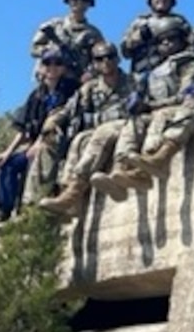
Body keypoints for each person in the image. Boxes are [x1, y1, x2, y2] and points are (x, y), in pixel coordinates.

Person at [0, 48, 81, 239]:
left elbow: (57, 120)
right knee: (8, 163)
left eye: (57, 63)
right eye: (48, 62)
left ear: (64, 68)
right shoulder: (36, 95)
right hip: (34, 144)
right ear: (41, 67)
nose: (52, 67)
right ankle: (4, 213)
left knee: (39, 155)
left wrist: (40, 142)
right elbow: (24, 129)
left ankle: (35, 205)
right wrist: (8, 151)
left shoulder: (70, 89)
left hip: (58, 142)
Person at [104, 18, 194, 192]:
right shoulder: (153, 72)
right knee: (134, 121)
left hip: (178, 110)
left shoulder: (191, 63)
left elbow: (188, 93)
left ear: (182, 41)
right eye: (162, 41)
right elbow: (140, 98)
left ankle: (159, 157)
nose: (167, 43)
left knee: (167, 113)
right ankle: (123, 167)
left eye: (172, 39)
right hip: (158, 109)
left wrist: (152, 105)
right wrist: (138, 104)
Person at [38, 41, 135, 215]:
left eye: (110, 57)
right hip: (99, 129)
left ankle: (73, 193)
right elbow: (69, 109)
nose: (105, 62)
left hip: (125, 125)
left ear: (118, 59)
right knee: (78, 140)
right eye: (100, 59)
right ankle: (69, 192)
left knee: (100, 134)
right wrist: (53, 121)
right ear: (94, 63)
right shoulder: (90, 88)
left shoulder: (131, 81)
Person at [29, 0, 105, 81]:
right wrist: (50, 51)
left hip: (76, 81)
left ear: (89, 4)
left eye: (83, 0)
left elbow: (102, 59)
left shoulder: (94, 34)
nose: (78, 3)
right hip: (50, 78)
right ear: (68, 1)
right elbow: (34, 49)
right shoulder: (54, 25)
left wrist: (90, 73)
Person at [120, 0, 193, 77]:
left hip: (173, 72)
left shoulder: (180, 22)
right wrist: (138, 36)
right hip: (142, 73)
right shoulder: (139, 22)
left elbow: (192, 46)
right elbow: (125, 51)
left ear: (172, 1)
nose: (161, 0)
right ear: (150, 1)